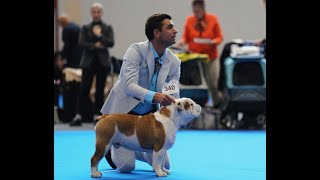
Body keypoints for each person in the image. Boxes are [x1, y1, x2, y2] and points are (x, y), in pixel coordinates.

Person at [100, 13, 180, 172]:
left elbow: (174, 95)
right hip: (122, 116)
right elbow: (128, 86)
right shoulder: (135, 50)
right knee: (126, 167)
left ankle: (135, 146)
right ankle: (112, 144)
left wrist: (180, 112)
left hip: (147, 120)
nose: (175, 31)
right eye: (170, 27)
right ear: (156, 33)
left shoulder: (175, 62)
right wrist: (154, 96)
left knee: (166, 165)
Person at [69, 2, 114, 126]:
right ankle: (78, 116)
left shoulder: (107, 27)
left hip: (102, 63)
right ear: (91, 13)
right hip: (88, 63)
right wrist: (95, 45)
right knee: (84, 90)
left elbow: (111, 43)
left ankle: (97, 116)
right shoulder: (85, 27)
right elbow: (81, 43)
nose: (96, 14)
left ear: (101, 13)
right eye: (94, 12)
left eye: (98, 12)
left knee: (100, 91)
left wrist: (99, 36)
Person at [177, 0, 223, 108]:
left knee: (213, 83)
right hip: (195, 59)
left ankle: (217, 105)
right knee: (197, 84)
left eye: (198, 9)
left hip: (210, 57)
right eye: (195, 10)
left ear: (203, 8)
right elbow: (186, 37)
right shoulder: (190, 20)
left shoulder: (213, 19)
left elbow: (219, 37)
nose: (196, 12)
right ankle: (197, 106)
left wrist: (214, 42)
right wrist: (182, 41)